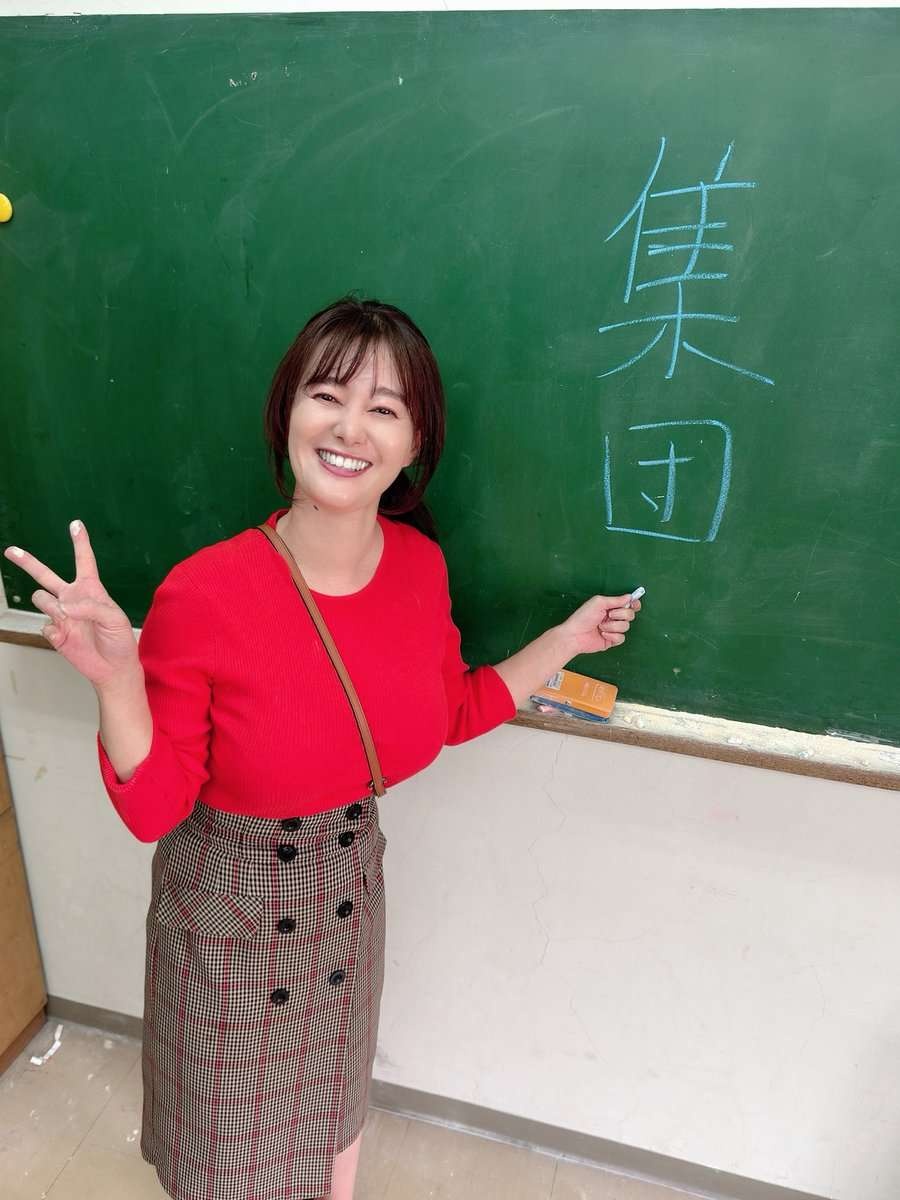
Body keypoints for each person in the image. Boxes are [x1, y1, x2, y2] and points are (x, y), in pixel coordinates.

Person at [3, 295, 641, 1200]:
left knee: (336, 1117)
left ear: (415, 444)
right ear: (287, 415)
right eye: (327, 396)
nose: (349, 428)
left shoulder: (420, 566)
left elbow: (454, 709)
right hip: (227, 923)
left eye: (383, 408)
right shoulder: (205, 592)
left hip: (349, 896)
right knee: (229, 1161)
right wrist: (117, 682)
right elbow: (155, 810)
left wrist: (566, 641)